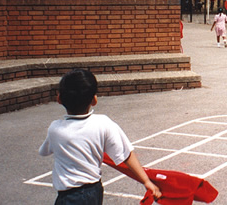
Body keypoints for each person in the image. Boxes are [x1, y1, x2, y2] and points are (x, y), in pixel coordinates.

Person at [39, 69, 161, 205]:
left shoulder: (55, 129)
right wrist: (146, 181)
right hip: (94, 191)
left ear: (59, 99)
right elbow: (126, 155)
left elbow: (43, 151)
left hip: (69, 196)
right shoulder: (103, 123)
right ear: (94, 100)